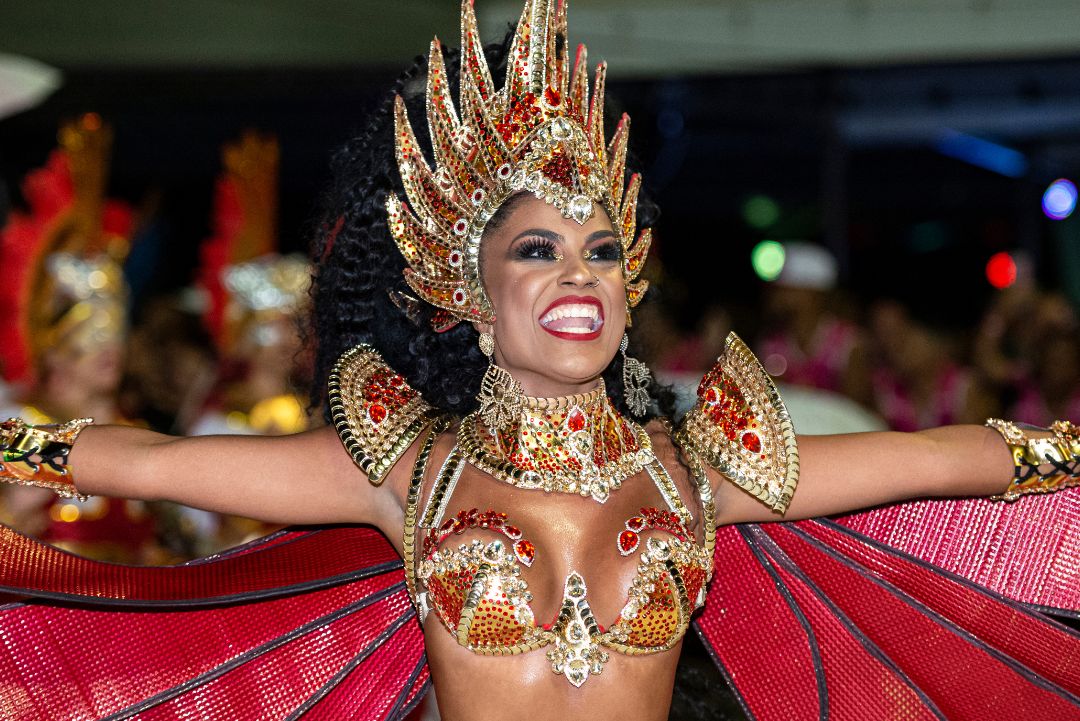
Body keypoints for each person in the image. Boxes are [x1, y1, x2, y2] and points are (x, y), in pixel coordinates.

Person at [2, 1, 1080, 719]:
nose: (580, 275)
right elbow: (139, 460)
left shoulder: (696, 473)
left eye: (602, 250)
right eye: (538, 250)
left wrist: (1063, 450)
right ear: (468, 295)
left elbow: (944, 457)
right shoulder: (408, 472)